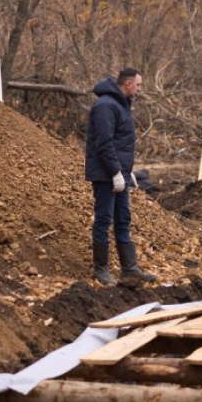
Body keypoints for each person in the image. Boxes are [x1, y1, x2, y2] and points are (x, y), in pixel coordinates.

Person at [84, 67, 156, 286]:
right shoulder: (106, 106)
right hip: (106, 175)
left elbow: (121, 144)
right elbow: (104, 143)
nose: (140, 89)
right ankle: (101, 269)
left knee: (123, 219)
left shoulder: (121, 106)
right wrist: (115, 172)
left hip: (119, 174)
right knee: (104, 218)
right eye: (139, 85)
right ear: (127, 84)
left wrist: (127, 174)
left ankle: (130, 269)